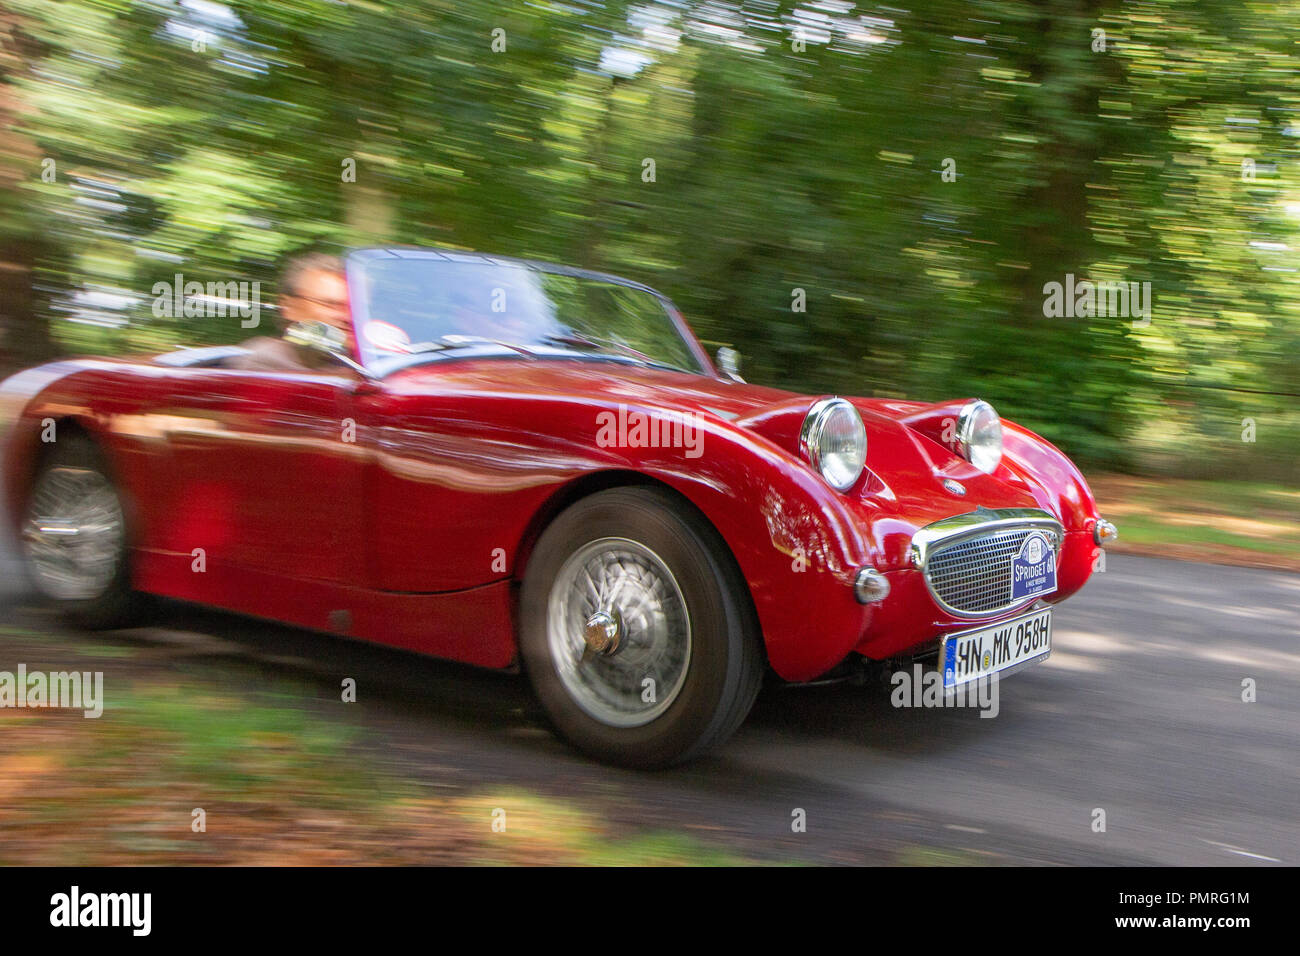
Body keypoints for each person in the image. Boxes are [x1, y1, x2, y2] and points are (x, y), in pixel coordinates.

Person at [227, 253, 354, 371]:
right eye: (330, 304)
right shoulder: (265, 362)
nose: (346, 317)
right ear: (289, 306)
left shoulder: (358, 366)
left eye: (351, 308)